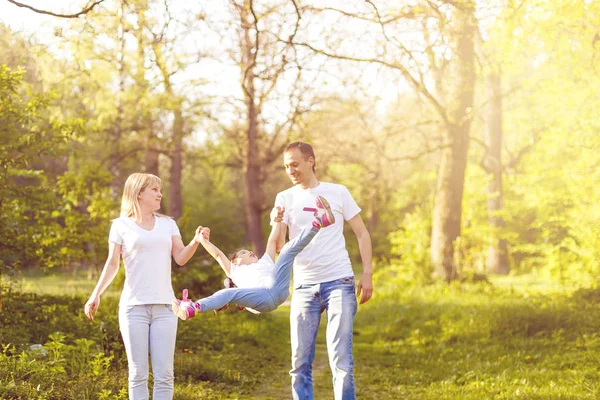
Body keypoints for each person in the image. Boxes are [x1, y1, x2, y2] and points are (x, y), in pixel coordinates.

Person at [84, 173, 204, 400]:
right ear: (139, 193)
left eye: (160, 190)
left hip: (166, 309)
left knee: (165, 375)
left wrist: (195, 241)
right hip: (133, 308)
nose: (160, 194)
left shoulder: (168, 224)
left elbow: (180, 258)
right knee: (138, 374)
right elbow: (112, 264)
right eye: (154, 190)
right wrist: (95, 294)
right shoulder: (120, 226)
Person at [274, 141, 373, 400]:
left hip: (339, 281)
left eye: (295, 164)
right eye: (286, 166)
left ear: (311, 161)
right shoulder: (285, 198)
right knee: (299, 363)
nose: (291, 170)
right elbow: (278, 246)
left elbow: (362, 234)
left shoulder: (337, 192)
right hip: (304, 286)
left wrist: (367, 274)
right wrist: (275, 224)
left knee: (341, 359)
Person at [171, 196, 335, 319]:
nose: (249, 252)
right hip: (259, 298)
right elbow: (218, 255)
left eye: (248, 251)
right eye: (243, 253)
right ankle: (193, 307)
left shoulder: (265, 261)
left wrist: (277, 220)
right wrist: (202, 240)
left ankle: (319, 221)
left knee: (286, 252)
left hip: (277, 289)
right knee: (229, 293)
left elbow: (272, 240)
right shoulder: (233, 270)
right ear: (236, 262)